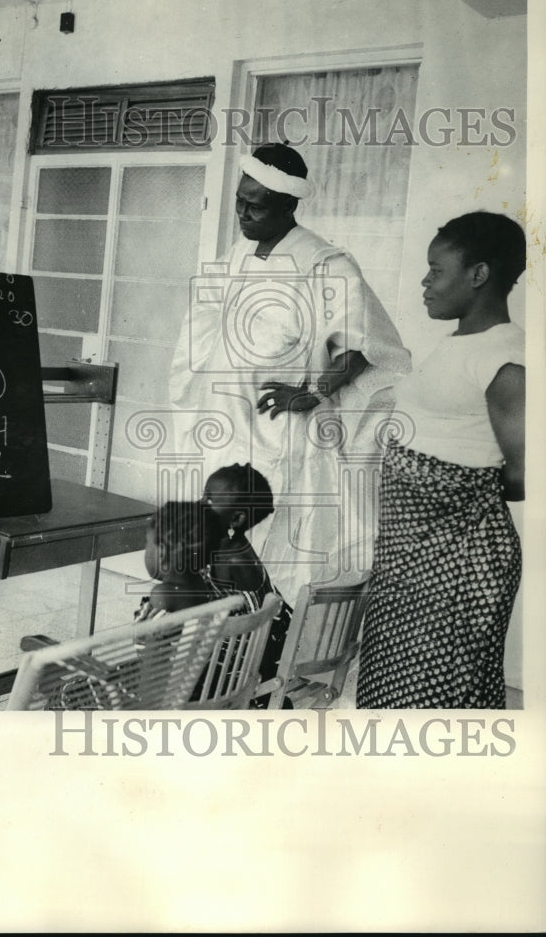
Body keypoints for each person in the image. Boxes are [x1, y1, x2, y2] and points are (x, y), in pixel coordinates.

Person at [169, 142, 411, 604]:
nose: (242, 213)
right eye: (239, 201)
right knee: (216, 539)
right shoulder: (238, 254)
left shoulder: (325, 263)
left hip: (282, 434)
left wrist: (314, 393)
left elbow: (358, 343)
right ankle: (221, 645)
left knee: (275, 547)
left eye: (254, 206)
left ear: (287, 205)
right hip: (227, 426)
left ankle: (271, 644)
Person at [356, 210, 526, 709]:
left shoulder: (506, 359)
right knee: (391, 696)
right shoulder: (457, 344)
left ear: (478, 275)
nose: (425, 282)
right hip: (409, 562)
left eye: (437, 270)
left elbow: (525, 472)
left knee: (437, 705)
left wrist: (444, 492)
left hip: (454, 568)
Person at [202, 462, 294, 708]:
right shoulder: (241, 550)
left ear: (237, 518)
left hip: (230, 672)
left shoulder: (224, 558)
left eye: (209, 500)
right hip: (256, 657)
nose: (200, 505)